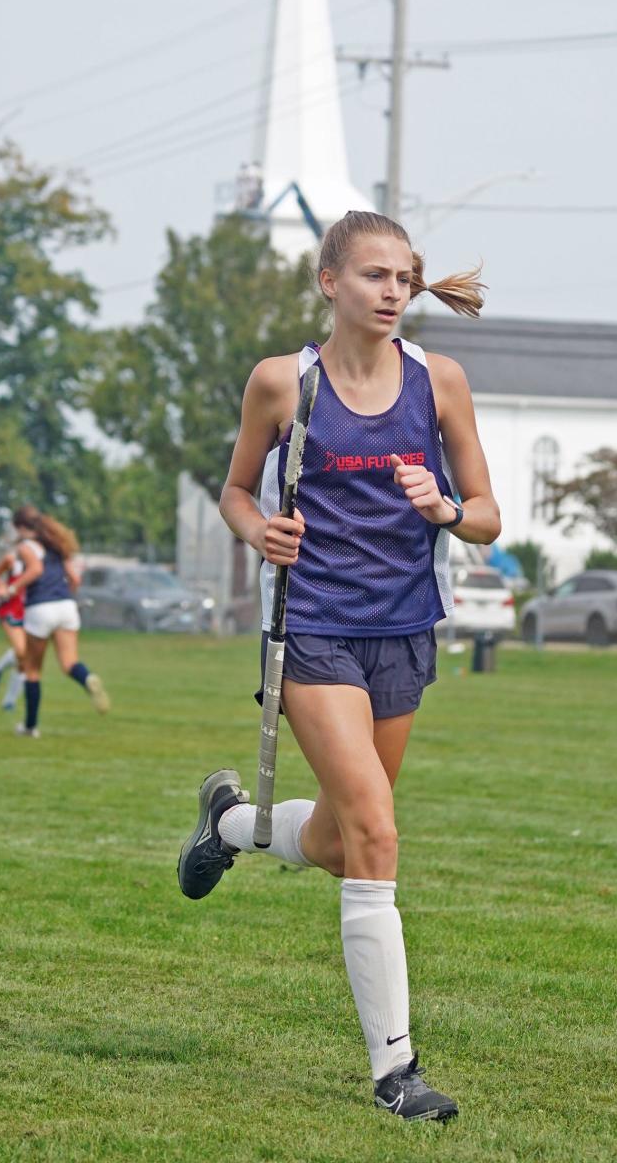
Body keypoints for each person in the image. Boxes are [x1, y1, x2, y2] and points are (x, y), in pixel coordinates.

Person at [176, 210, 500, 1121]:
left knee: (337, 838)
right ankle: (396, 1073)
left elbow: (487, 514)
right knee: (379, 837)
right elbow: (238, 492)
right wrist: (260, 533)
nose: (393, 292)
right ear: (330, 283)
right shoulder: (284, 383)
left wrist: (443, 505)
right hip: (313, 633)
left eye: (404, 278)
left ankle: (230, 824)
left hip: (404, 633)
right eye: (374, 276)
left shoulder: (441, 383)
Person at [4, 505, 109, 737]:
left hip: (40, 608)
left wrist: (11, 588)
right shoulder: (57, 545)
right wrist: (66, 595)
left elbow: (35, 570)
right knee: (70, 662)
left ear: (20, 527)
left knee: (32, 670)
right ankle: (87, 678)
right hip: (66, 606)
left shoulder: (26, 547)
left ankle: (30, 727)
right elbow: (74, 578)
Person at [0, 545, 27, 710]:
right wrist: (2, 587)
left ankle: (9, 700)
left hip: (30, 611)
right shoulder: (12, 558)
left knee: (25, 660)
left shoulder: (42, 560)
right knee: (22, 651)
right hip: (11, 610)